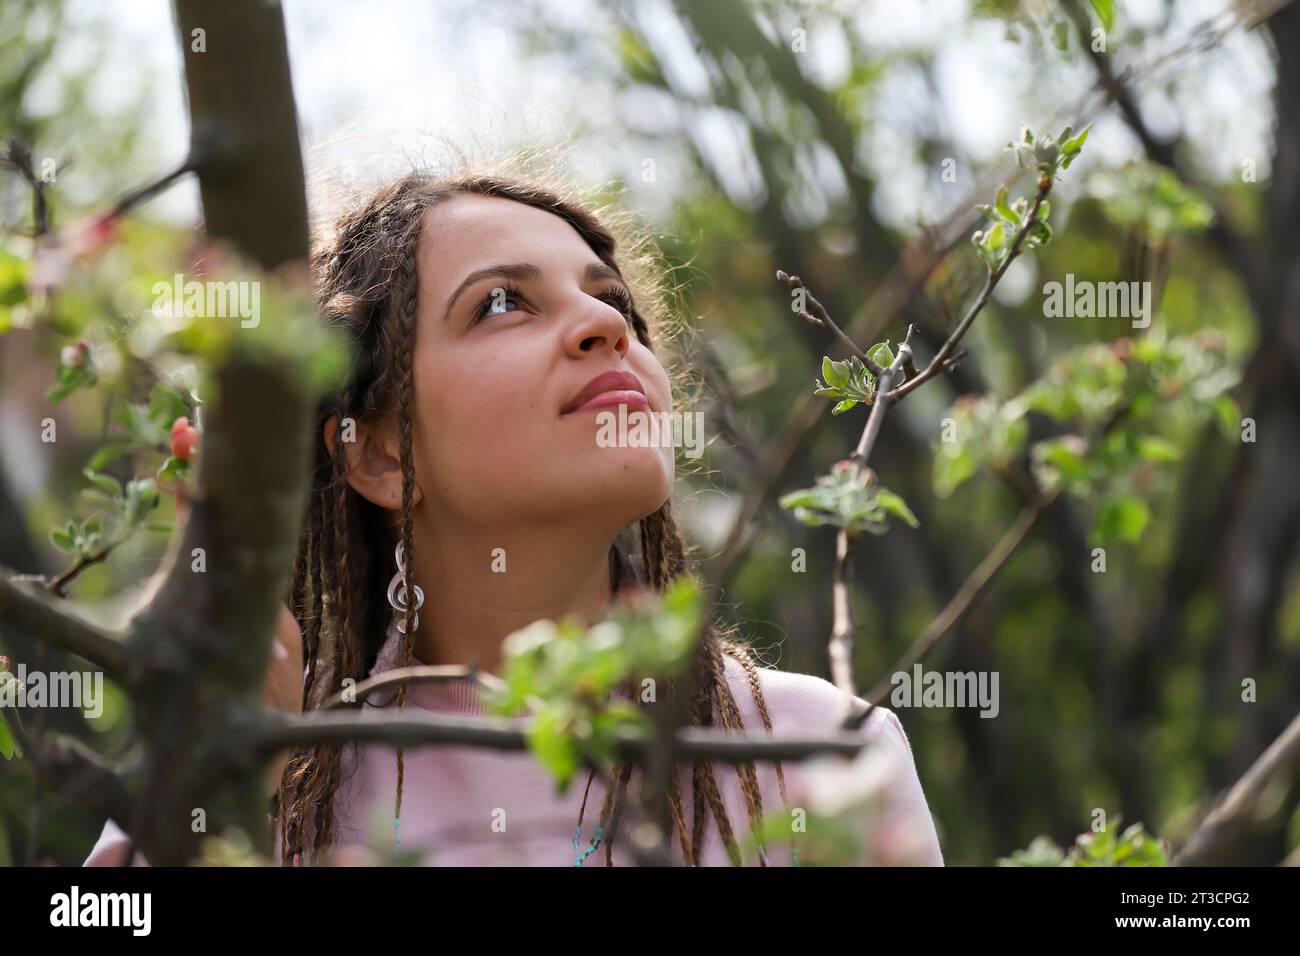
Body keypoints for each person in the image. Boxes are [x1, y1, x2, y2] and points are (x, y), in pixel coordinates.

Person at [85, 163, 943, 867]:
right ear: (378, 452)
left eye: (614, 300)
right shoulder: (292, 789)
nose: (605, 324)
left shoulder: (822, 757)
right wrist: (211, 780)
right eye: (503, 302)